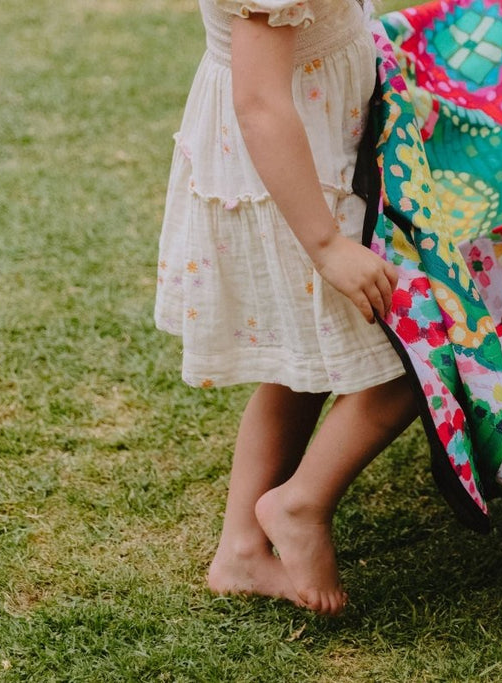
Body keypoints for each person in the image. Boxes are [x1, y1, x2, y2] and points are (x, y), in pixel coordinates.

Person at [154, 0, 418, 617]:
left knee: (300, 368)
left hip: (322, 143)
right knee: (417, 349)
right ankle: (300, 504)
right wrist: (327, 245)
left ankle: (241, 551)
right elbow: (261, 104)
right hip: (294, 182)